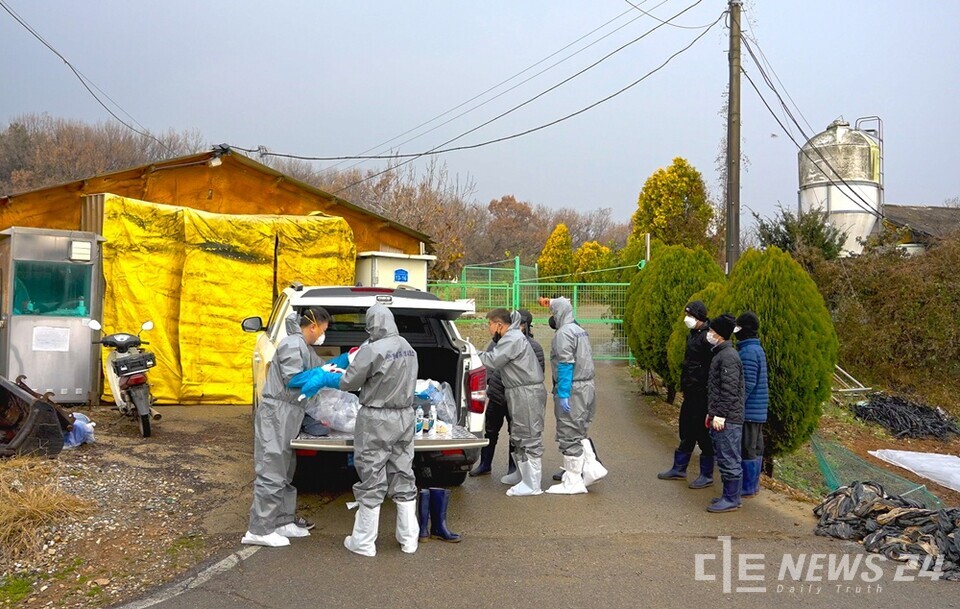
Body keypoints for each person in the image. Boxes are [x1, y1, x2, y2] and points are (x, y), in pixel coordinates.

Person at [291, 304, 420, 556]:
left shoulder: (371, 350)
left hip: (377, 418)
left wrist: (327, 377)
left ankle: (363, 542)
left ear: (371, 325)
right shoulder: (408, 347)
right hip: (405, 416)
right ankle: (408, 540)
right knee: (404, 473)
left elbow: (349, 382)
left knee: (372, 475)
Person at [242, 306, 332, 548]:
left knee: (285, 469)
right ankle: (259, 529)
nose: (323, 335)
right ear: (313, 326)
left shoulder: (302, 346)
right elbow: (294, 379)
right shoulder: (292, 344)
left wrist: (345, 365)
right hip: (277, 414)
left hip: (289, 414)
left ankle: (282, 521)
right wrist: (325, 378)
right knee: (272, 469)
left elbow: (322, 367)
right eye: (323, 330)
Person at [539, 296, 607, 495]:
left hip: (574, 388)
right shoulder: (580, 330)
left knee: (569, 432)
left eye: (553, 312)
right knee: (579, 430)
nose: (552, 317)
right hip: (587, 387)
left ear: (559, 312)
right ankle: (590, 469)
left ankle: (572, 481)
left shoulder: (564, 333)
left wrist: (563, 392)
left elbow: (566, 364)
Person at [477, 308, 547, 496]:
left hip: (526, 392)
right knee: (519, 434)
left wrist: (471, 352)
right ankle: (522, 475)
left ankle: (532, 484)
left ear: (499, 324)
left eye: (489, 325)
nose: (489, 329)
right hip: (517, 391)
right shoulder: (513, 337)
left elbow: (493, 361)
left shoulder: (512, 338)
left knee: (529, 435)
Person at [658, 300, 716, 488]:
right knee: (686, 429)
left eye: (690, 315)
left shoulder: (708, 337)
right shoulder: (693, 335)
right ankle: (679, 468)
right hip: (690, 392)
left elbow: (711, 366)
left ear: (699, 317)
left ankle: (706, 474)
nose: (687, 319)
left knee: (703, 433)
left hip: (702, 394)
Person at [704, 314, 745, 513]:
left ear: (719, 334)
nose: (709, 334)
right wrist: (711, 413)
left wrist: (720, 414)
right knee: (726, 455)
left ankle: (731, 498)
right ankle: (730, 496)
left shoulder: (727, 357)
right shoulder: (721, 354)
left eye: (712, 331)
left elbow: (728, 390)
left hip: (729, 419)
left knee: (729, 456)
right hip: (723, 415)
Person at [734, 311, 768, 499]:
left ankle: (747, 487)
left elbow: (746, 384)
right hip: (759, 409)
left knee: (747, 449)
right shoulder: (757, 349)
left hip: (749, 410)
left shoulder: (747, 352)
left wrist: (736, 406)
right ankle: (753, 485)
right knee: (755, 448)